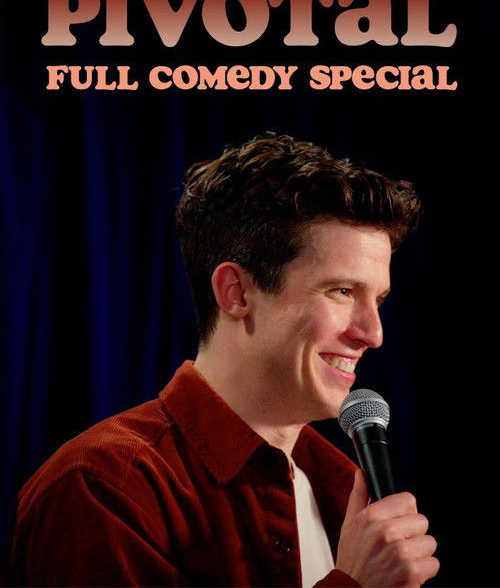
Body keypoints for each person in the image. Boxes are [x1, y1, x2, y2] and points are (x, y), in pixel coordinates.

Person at [8, 133, 439, 587]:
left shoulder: (341, 483)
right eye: (342, 291)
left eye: (379, 300)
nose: (373, 334)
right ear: (236, 293)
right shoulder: (104, 487)